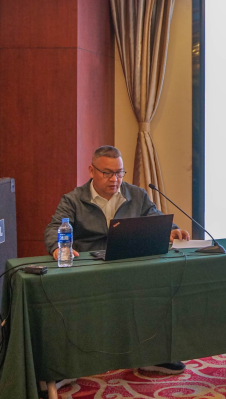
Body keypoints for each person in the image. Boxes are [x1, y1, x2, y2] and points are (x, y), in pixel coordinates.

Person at [44, 145, 190, 376]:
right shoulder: (73, 199)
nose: (115, 179)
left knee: (160, 286)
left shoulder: (137, 195)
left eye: (119, 173)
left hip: (129, 263)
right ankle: (68, 366)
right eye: (107, 173)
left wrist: (171, 230)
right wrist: (56, 248)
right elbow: (55, 228)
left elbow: (155, 219)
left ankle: (154, 355)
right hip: (91, 267)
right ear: (91, 171)